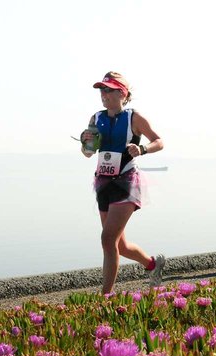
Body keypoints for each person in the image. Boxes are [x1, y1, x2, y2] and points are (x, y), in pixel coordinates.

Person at [81, 71, 165, 294]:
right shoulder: (95, 118)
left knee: (107, 239)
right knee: (119, 245)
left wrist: (142, 149)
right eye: (101, 89)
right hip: (103, 183)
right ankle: (153, 265)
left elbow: (159, 141)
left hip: (126, 181)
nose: (103, 94)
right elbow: (87, 153)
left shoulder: (134, 118)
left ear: (122, 93)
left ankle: (105, 296)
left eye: (108, 89)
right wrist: (86, 142)